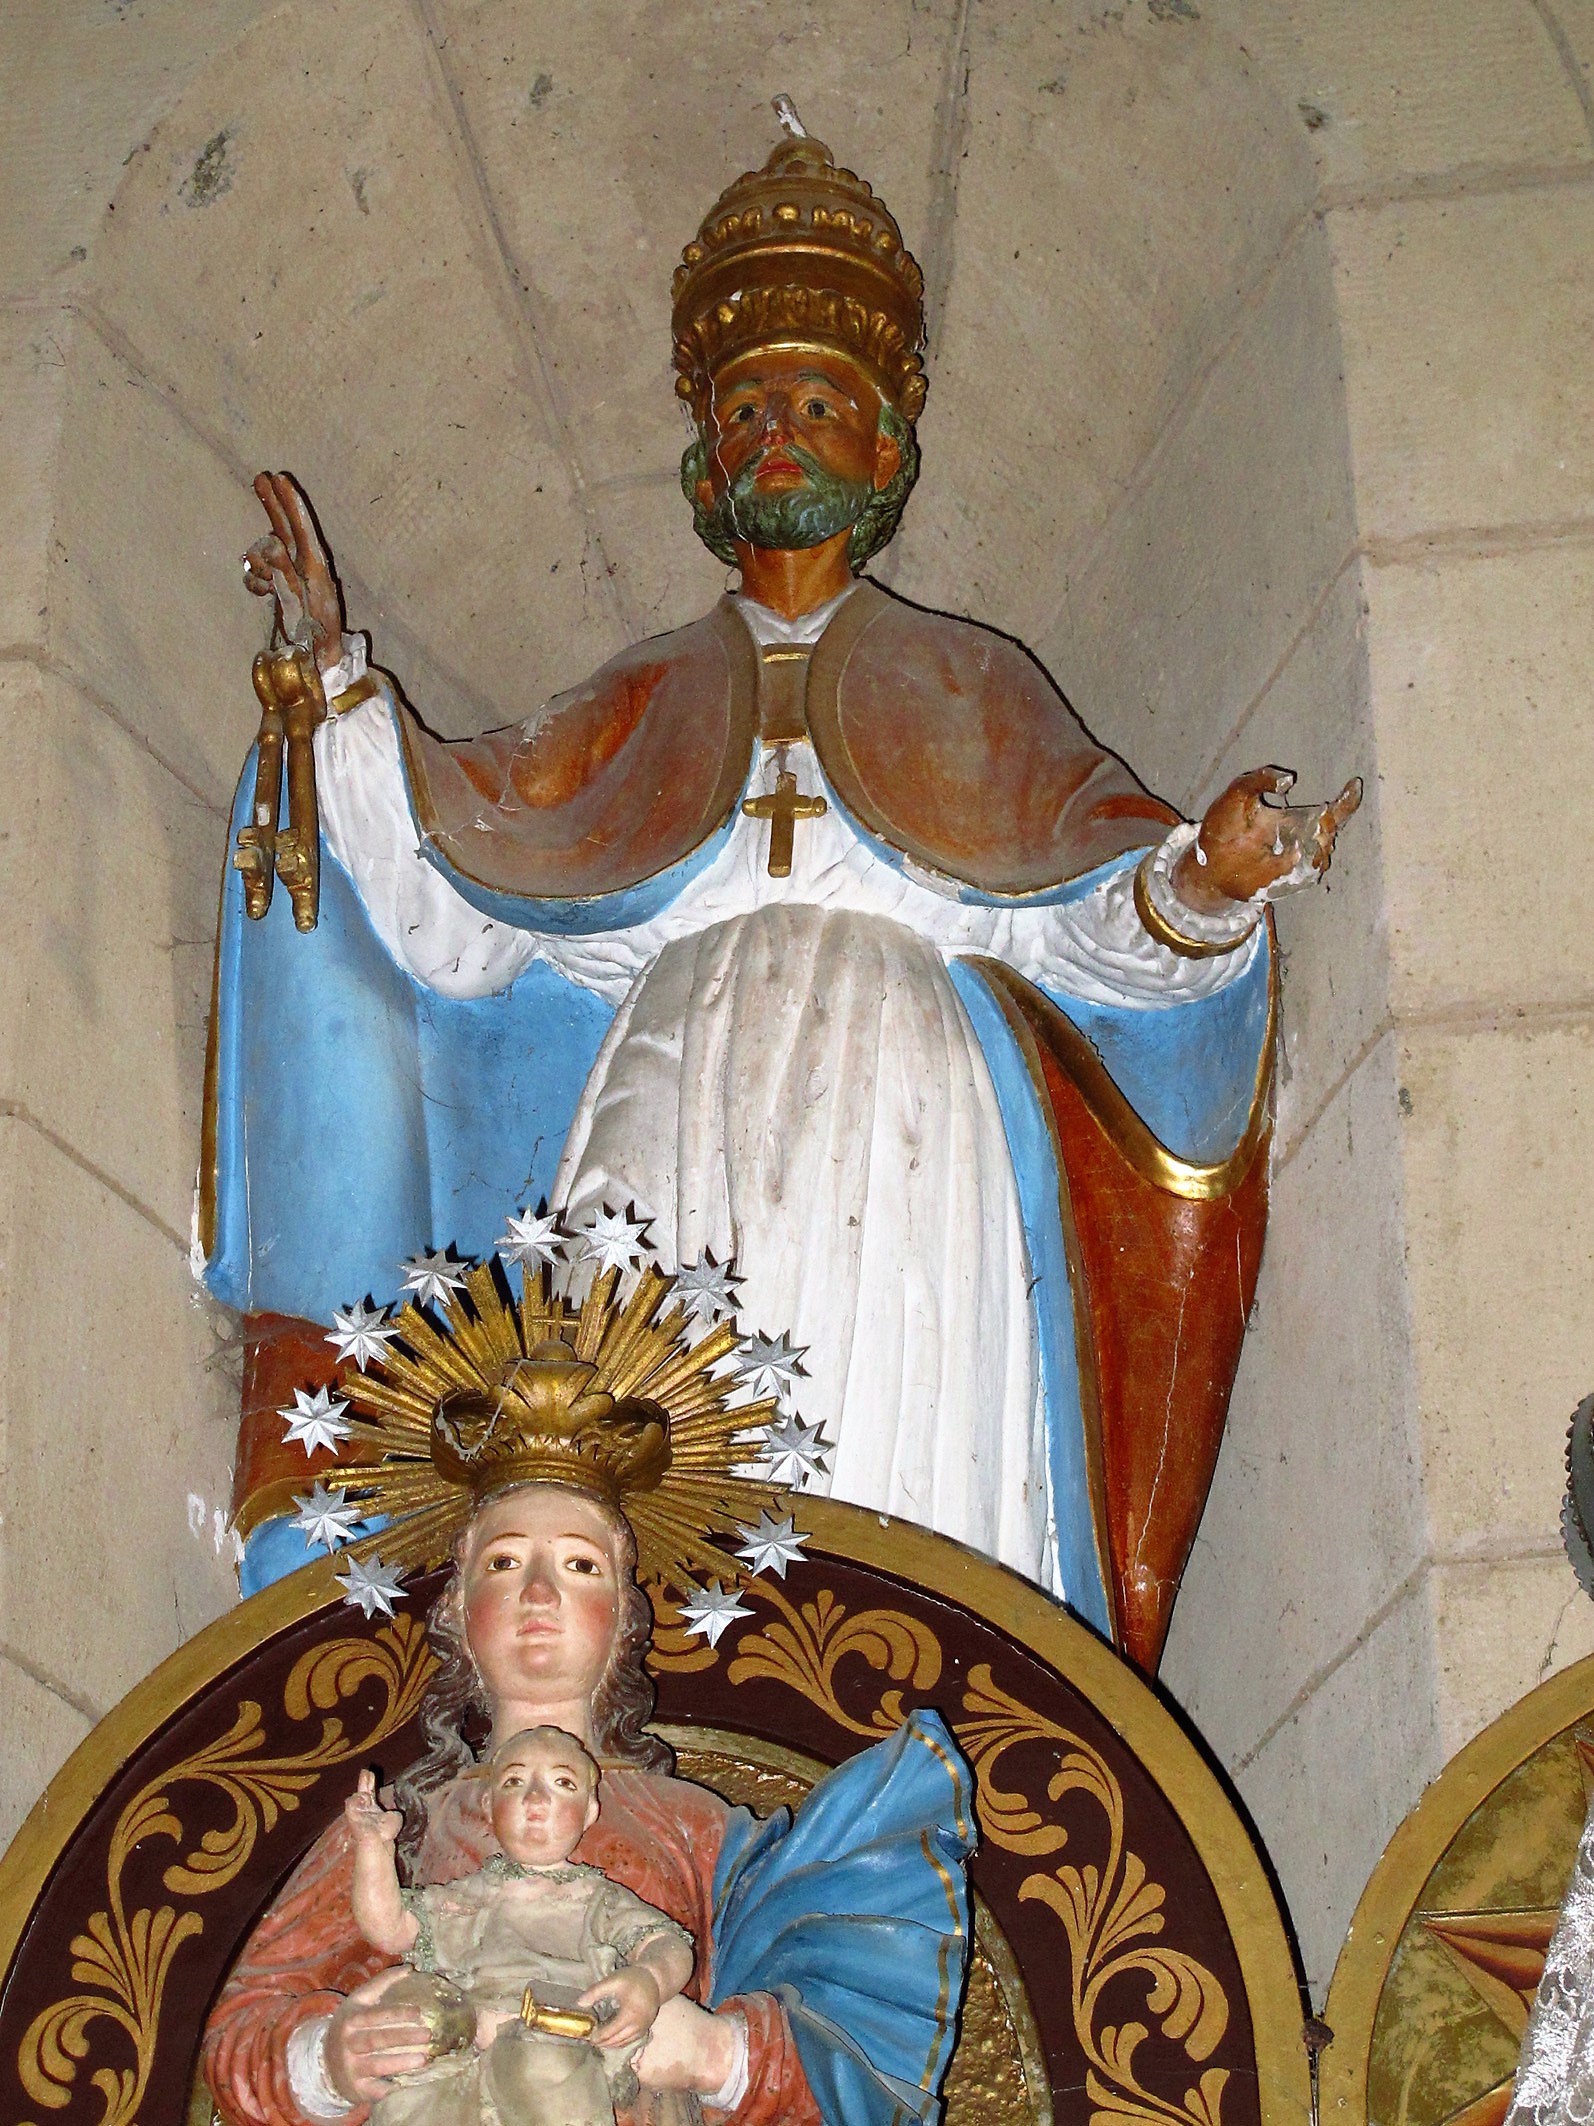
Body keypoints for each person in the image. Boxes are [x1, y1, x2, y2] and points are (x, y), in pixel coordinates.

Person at [201, 108, 1360, 1666]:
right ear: (703, 454)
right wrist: (339, 696)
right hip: (673, 1071)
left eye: (819, 403)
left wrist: (1203, 881)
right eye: (746, 404)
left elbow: (1081, 925)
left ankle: (887, 1729)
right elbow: (456, 915)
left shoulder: (966, 682)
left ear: (886, 452)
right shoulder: (641, 693)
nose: (777, 431)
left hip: (899, 1102)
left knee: (883, 1432)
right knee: (625, 1424)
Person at [202, 1485, 974, 2126]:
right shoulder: (392, 1826)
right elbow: (238, 2038)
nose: (539, 1593)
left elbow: (845, 2063)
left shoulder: (692, 1827)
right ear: (459, 1609)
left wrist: (719, 2056)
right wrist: (331, 2059)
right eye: (505, 1563)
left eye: (579, 1565)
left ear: (622, 1616)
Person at [343, 1728, 695, 2126]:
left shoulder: (597, 1900)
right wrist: (373, 1847)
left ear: (590, 1812)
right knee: (413, 2063)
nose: (536, 1799)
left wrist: (649, 1979)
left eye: (563, 1784)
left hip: (553, 2042)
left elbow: (667, 1944)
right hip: (463, 2046)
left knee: (545, 2071)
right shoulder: (468, 1897)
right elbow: (389, 1928)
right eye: (514, 1781)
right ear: (489, 1805)